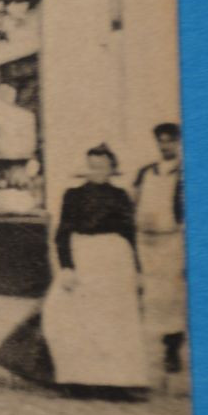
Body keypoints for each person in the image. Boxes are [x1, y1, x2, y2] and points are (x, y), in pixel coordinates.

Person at [41, 144, 148, 399]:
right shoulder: (73, 195)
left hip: (115, 261)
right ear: (86, 167)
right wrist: (67, 267)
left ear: (112, 168)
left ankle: (117, 384)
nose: (97, 171)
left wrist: (138, 269)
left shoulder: (120, 196)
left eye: (103, 166)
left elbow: (130, 234)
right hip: (84, 255)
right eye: (93, 165)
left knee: (115, 321)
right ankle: (78, 380)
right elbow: (62, 234)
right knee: (71, 317)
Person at [134, 122, 187, 373]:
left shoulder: (186, 173)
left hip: (171, 241)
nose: (165, 145)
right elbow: (134, 202)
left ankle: (172, 349)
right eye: (161, 140)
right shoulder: (146, 172)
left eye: (170, 140)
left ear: (178, 143)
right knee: (150, 295)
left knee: (172, 297)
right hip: (146, 241)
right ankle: (142, 353)